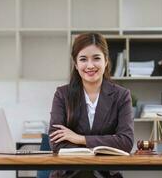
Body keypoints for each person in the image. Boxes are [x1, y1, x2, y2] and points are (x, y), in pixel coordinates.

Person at [48, 32, 134, 178]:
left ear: (106, 61)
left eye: (96, 58)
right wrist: (106, 143)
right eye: (83, 59)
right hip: (68, 174)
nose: (90, 65)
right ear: (76, 64)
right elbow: (56, 143)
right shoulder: (62, 94)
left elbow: (126, 141)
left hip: (107, 174)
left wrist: (80, 139)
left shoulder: (121, 95)